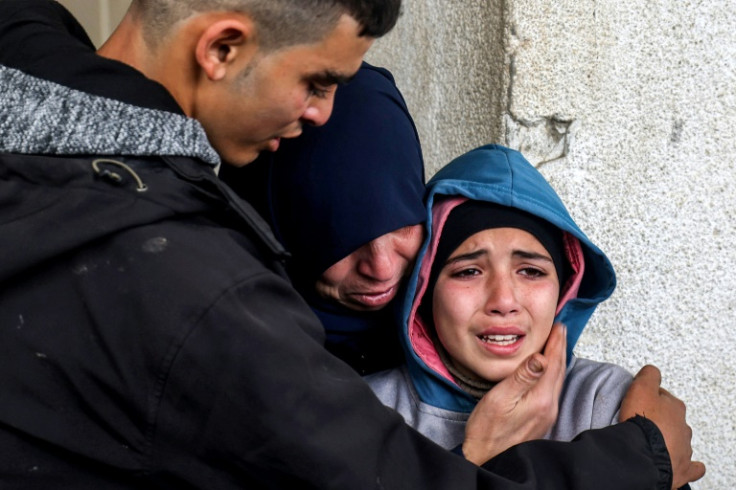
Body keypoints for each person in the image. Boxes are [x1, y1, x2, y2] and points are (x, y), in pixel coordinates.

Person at [0, 1, 704, 489]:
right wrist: (638, 457)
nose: (321, 114)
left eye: (532, 268)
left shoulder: (35, 110)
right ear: (221, 47)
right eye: (316, 81)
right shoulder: (196, 289)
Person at [366, 143, 634, 449]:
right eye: (468, 272)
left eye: (531, 271)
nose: (504, 302)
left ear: (565, 288)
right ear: (423, 292)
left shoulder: (606, 402)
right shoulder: (365, 412)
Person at [220, 62, 426, 374]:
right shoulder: (217, 360)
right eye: (339, 237)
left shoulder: (454, 331)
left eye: (402, 223)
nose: (381, 269)